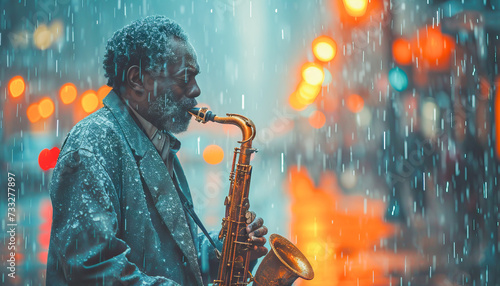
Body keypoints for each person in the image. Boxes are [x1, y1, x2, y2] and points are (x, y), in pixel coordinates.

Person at [46, 15, 268, 285]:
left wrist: (231, 250)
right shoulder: (90, 147)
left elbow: (180, 256)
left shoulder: (159, 142)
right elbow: (95, 272)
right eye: (185, 78)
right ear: (137, 80)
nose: (196, 90)